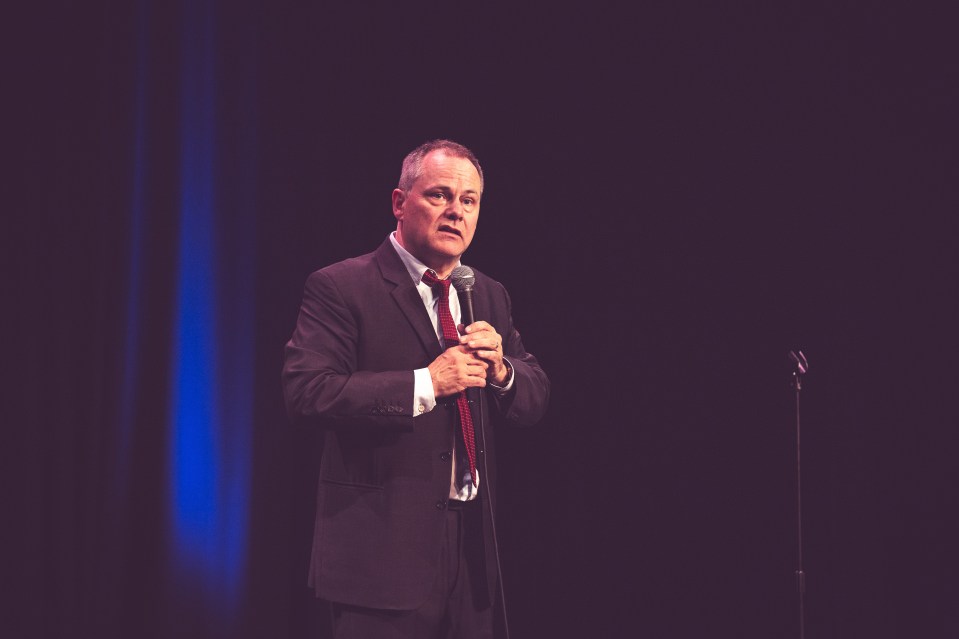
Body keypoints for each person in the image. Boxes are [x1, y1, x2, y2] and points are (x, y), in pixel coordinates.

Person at [282, 139, 550, 638]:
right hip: (380, 558)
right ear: (399, 203)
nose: (456, 212)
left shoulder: (486, 293)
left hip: (472, 557)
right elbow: (308, 392)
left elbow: (535, 394)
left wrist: (501, 372)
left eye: (469, 201)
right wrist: (428, 383)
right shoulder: (342, 286)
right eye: (439, 196)